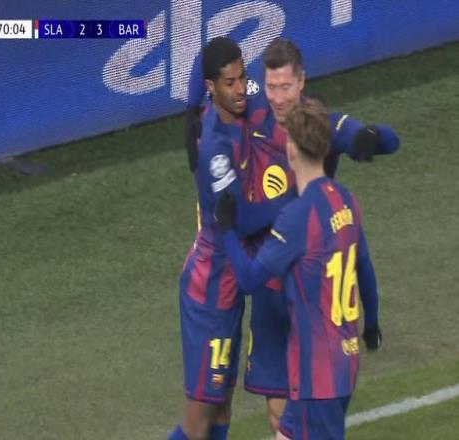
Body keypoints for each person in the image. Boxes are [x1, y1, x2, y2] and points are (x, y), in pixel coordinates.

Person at [184, 37, 399, 433]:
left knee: (287, 421)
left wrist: (370, 136)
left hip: (308, 295)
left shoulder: (313, 125)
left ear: (301, 82)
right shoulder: (250, 103)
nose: (278, 97)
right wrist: (189, 111)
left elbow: (372, 137)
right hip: (271, 285)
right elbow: (210, 67)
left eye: (286, 86)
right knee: (273, 413)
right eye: (271, 86)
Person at [214, 98, 382, 440]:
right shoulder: (345, 200)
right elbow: (363, 266)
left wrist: (228, 230)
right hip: (340, 363)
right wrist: (372, 322)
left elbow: (249, 279)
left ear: (291, 150)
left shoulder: (299, 216)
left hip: (316, 377)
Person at [168, 37, 294, 440]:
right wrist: (290, 201)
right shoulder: (215, 149)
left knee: (222, 405)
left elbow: (206, 59)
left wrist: (189, 105)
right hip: (210, 290)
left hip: (232, 284)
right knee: (199, 420)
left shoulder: (241, 97)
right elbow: (240, 222)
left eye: (242, 77)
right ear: (213, 86)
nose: (241, 88)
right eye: (230, 82)